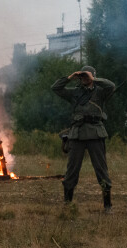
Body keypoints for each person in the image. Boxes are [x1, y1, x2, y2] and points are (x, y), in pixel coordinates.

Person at [51, 66, 115, 212]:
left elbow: (111, 85)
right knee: (72, 170)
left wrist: (94, 79)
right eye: (82, 76)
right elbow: (55, 88)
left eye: (86, 76)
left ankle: (107, 206)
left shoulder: (100, 92)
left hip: (95, 133)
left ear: (93, 76)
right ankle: (68, 205)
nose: (84, 78)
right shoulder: (75, 93)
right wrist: (70, 77)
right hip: (77, 134)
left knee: (101, 170)